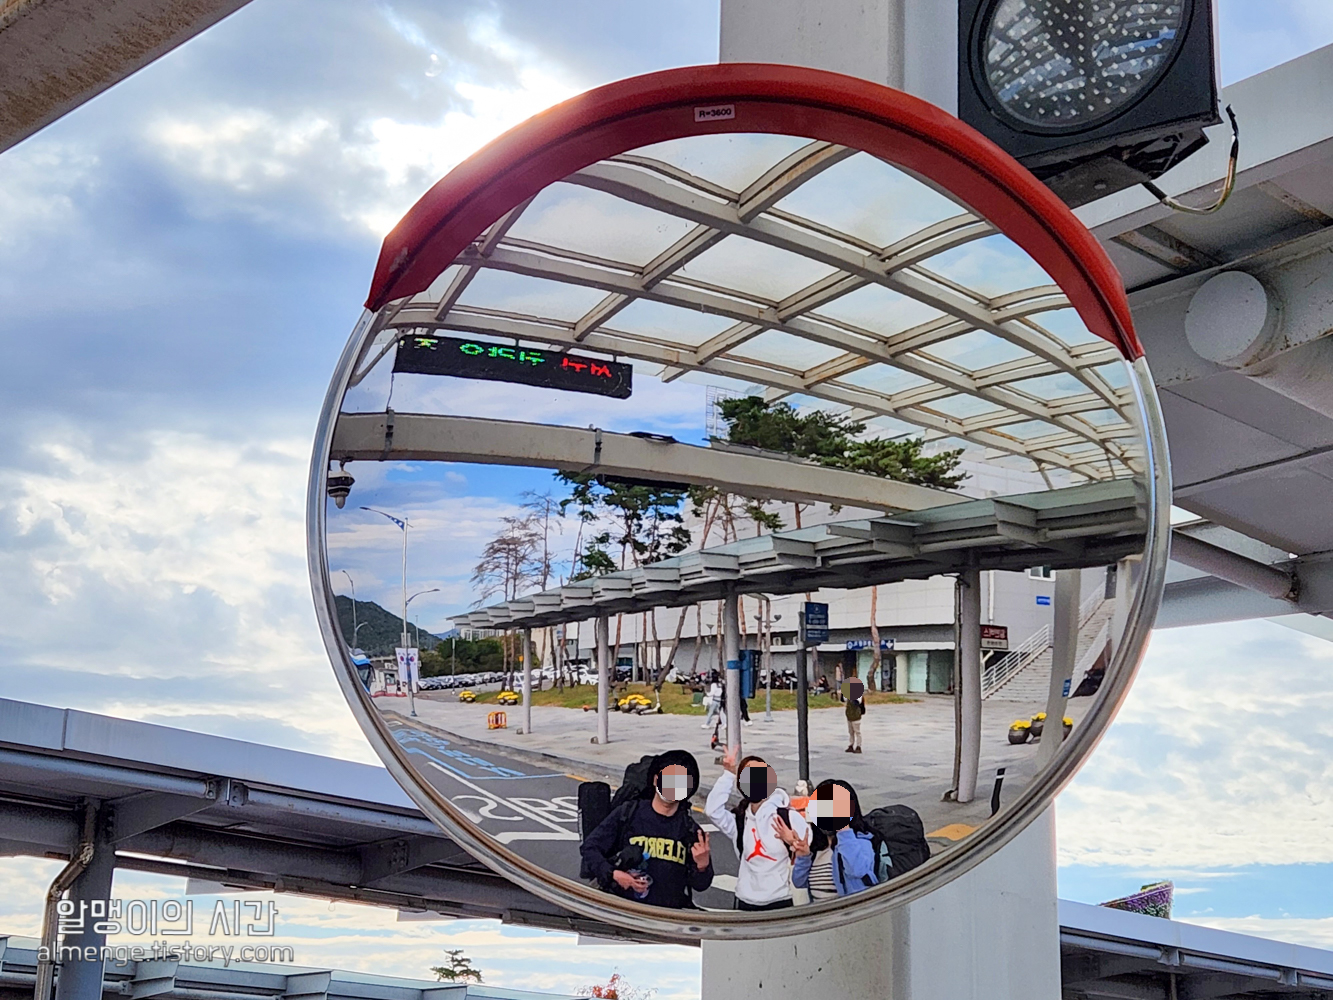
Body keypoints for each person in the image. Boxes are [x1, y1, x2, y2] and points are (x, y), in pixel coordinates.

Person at [580, 750, 713, 908]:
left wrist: (702, 866)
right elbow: (590, 848)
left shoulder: (690, 829)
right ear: (656, 780)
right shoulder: (628, 813)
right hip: (625, 910)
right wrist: (614, 874)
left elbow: (700, 885)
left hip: (667, 916)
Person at [705, 747, 809, 910]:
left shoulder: (787, 817)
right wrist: (728, 774)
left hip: (781, 901)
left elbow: (811, 852)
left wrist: (793, 843)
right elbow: (713, 810)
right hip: (746, 902)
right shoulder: (740, 821)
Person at [790, 778, 877, 900]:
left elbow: (857, 870)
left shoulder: (860, 843)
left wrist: (843, 829)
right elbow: (798, 882)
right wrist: (803, 857)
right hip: (820, 911)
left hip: (850, 911)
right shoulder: (818, 848)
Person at [844, 679, 865, 754]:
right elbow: (843, 699)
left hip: (856, 716)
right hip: (849, 716)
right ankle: (851, 745)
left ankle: (858, 746)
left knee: (857, 732)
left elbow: (857, 702)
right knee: (851, 732)